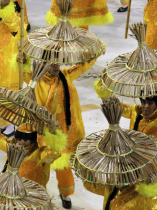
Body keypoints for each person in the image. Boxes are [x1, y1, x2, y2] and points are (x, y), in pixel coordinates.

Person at [34, 60, 96, 208]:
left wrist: (92, 50)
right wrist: (21, 60)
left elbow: (84, 64)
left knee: (63, 165)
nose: (56, 67)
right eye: (51, 64)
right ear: (43, 64)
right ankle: (38, 195)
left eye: (57, 63)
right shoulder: (37, 81)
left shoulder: (66, 74)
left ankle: (65, 192)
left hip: (68, 133)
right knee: (42, 166)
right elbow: (21, 72)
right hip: (48, 134)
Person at [0, 107, 68, 188]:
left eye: (25, 140)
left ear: (32, 141)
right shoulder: (11, 147)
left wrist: (54, 134)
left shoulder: (40, 153)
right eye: (19, 139)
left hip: (33, 193)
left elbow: (53, 153)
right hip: (12, 188)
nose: (21, 143)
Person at [0, 0, 26, 91]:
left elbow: (13, 27)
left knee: (7, 69)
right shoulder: (5, 13)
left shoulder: (12, 15)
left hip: (11, 47)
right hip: (3, 45)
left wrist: (5, 7)